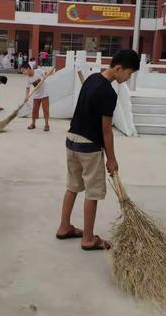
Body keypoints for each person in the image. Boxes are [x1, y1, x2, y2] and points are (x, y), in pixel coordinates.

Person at [56, 49, 140, 251]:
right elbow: (106, 131)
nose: (128, 79)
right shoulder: (109, 93)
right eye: (128, 74)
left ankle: (64, 227)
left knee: (73, 186)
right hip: (88, 147)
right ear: (118, 68)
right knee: (92, 193)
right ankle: (88, 239)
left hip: (71, 140)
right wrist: (111, 159)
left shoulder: (92, 79)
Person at [21, 62, 50, 132]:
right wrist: (26, 96)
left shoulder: (39, 71)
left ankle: (46, 125)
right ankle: (33, 124)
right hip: (36, 95)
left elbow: (46, 73)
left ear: (28, 69)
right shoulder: (28, 78)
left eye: (23, 71)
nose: (23, 73)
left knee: (45, 109)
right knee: (34, 110)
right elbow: (27, 88)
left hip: (44, 94)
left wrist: (49, 73)